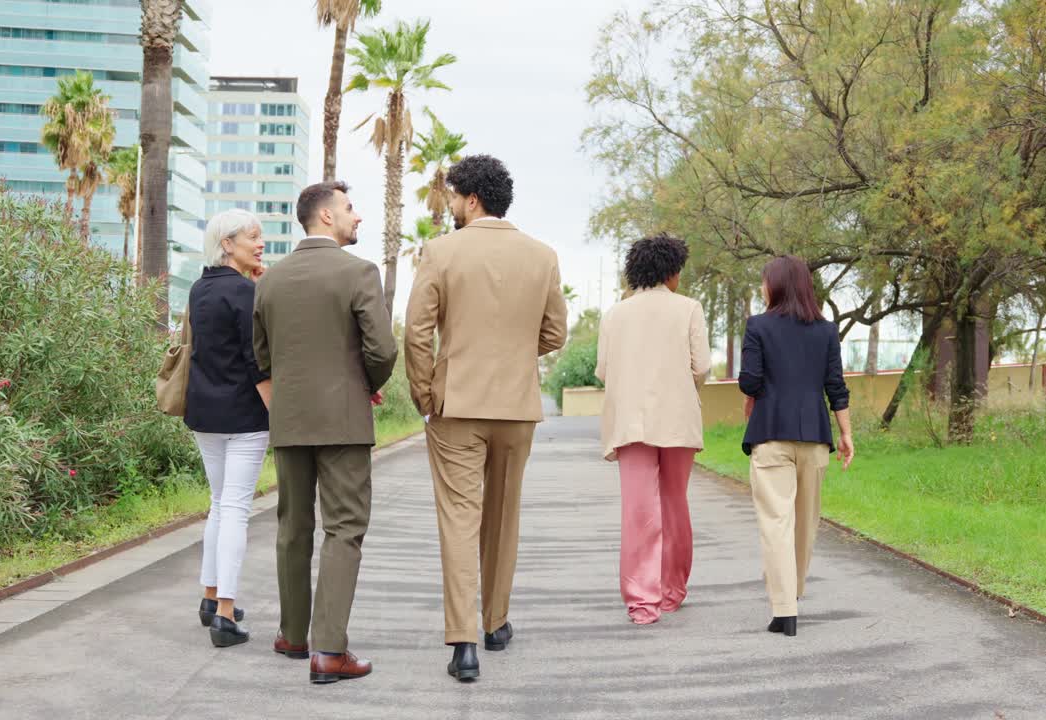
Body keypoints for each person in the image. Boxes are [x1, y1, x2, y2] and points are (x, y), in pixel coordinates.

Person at [405, 154, 568, 682]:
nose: (450, 206)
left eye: (453, 197)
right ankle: (496, 623)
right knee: (503, 515)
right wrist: (518, 359)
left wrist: (424, 394)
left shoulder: (441, 251)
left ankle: (463, 645)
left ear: (471, 200)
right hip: (518, 408)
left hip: (457, 406)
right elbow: (554, 334)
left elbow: (416, 331)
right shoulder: (543, 256)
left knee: (459, 519)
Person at [252, 181, 397, 684]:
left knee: (293, 526)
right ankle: (329, 650)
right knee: (344, 527)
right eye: (350, 209)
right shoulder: (359, 272)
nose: (358, 217)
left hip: (289, 420)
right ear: (326, 217)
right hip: (343, 420)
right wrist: (365, 386)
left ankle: (294, 635)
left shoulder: (269, 280)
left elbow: (262, 357)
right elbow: (383, 350)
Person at [595, 234, 710, 625]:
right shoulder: (689, 309)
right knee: (674, 502)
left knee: (638, 509)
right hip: (677, 419)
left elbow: (603, 371)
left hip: (631, 421)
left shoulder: (614, 314)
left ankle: (642, 601)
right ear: (672, 272)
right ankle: (671, 590)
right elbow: (702, 367)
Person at [739, 255, 854, 638]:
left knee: (776, 522)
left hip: (771, 433)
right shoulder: (826, 330)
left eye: (764, 281)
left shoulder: (758, 326)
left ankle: (784, 609)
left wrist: (755, 391)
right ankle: (794, 593)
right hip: (815, 437)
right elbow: (835, 386)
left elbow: (749, 381)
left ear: (776, 285)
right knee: (805, 523)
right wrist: (846, 433)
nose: (761, 287)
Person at [184, 209, 270, 648]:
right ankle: (224, 615)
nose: (260, 243)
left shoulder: (199, 288)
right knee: (235, 507)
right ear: (227, 243)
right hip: (243, 415)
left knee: (220, 503)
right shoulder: (246, 293)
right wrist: (278, 411)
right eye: (252, 237)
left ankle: (210, 595)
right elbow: (257, 360)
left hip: (203, 412)